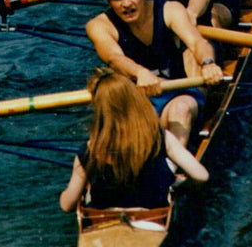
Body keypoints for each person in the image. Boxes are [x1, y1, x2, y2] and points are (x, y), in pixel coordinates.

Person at [85, 0, 223, 146]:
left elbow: (197, 43)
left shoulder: (170, 10)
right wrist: (141, 73)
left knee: (179, 110)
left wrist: (208, 63)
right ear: (108, 1)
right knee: (99, 141)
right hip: (139, 103)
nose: (127, 4)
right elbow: (114, 58)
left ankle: (172, 171)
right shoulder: (99, 26)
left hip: (179, 94)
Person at [59, 67, 208, 212]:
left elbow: (67, 206)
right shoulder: (158, 136)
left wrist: (63, 196)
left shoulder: (90, 149)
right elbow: (201, 176)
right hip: (153, 216)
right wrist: (179, 186)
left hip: (104, 220)